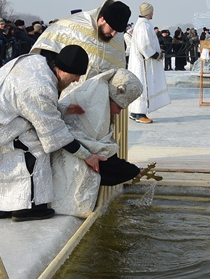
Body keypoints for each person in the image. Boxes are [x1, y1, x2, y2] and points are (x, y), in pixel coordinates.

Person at [0, 45, 104, 221]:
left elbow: (27, 104)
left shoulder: (38, 62)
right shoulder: (40, 87)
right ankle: (28, 208)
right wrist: (87, 155)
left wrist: (63, 108)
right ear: (65, 70)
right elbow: (55, 133)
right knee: (35, 147)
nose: (77, 80)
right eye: (76, 75)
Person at [51, 68, 144, 217]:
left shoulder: (97, 98)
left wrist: (130, 171)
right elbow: (102, 159)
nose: (119, 113)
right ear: (111, 98)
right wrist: (131, 171)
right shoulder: (95, 111)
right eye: (119, 107)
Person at [31, 0, 131, 78]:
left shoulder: (117, 39)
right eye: (112, 28)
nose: (114, 34)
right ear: (102, 20)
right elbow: (47, 54)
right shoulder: (72, 25)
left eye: (117, 31)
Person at [127, 2, 171, 123]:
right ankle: (139, 113)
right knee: (143, 84)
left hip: (142, 61)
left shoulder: (143, 24)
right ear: (147, 12)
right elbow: (144, 46)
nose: (152, 13)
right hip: (143, 62)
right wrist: (157, 55)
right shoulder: (143, 26)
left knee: (140, 84)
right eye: (151, 11)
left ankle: (135, 112)